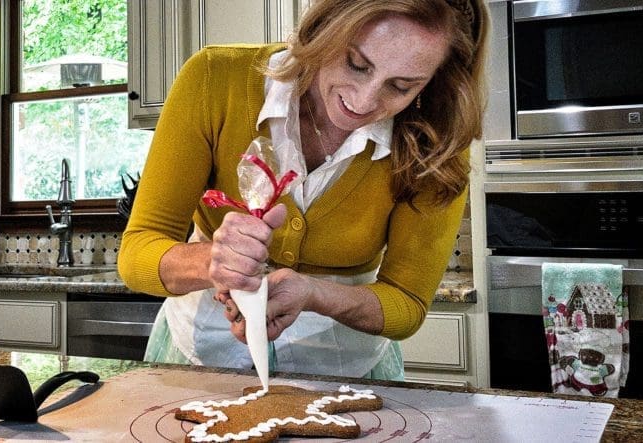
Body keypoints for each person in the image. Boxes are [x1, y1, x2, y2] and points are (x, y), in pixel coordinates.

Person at [118, 0, 488, 380]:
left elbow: (407, 303)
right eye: (356, 64)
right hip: (199, 359)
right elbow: (137, 253)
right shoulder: (214, 80)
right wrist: (213, 262)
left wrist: (313, 294)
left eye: (401, 86)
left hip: (348, 371)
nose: (362, 101)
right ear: (325, 26)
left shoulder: (437, 141)